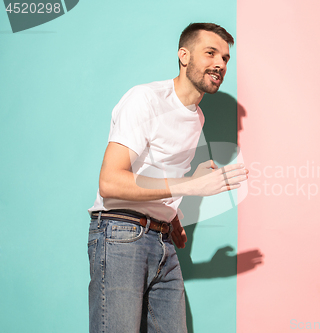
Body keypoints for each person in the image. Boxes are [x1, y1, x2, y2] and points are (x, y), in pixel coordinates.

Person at [87, 23, 248, 333]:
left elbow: (153, 172)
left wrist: (170, 214)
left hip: (161, 240)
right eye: (211, 53)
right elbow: (110, 182)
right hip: (122, 232)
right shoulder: (145, 99)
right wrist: (190, 185)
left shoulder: (196, 116)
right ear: (183, 55)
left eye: (226, 58)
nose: (220, 64)